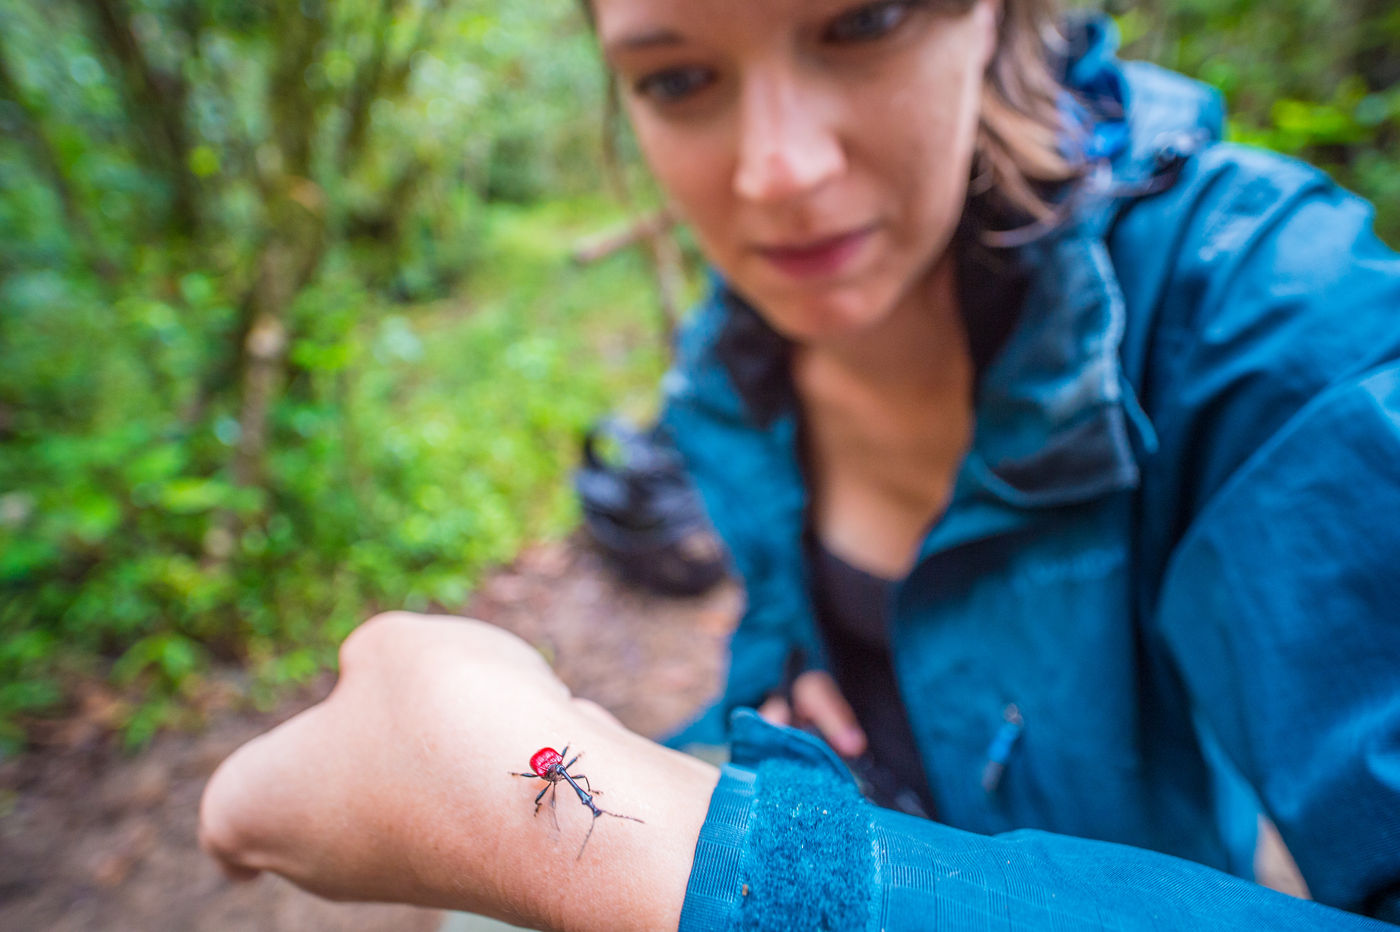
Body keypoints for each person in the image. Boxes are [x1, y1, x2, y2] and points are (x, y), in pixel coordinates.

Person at [199, 0, 1400, 928]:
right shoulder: (730, 360)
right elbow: (776, 609)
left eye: (862, 20)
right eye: (677, 78)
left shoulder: (1272, 318)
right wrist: (782, 678)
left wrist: (629, 849)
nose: (775, 172)